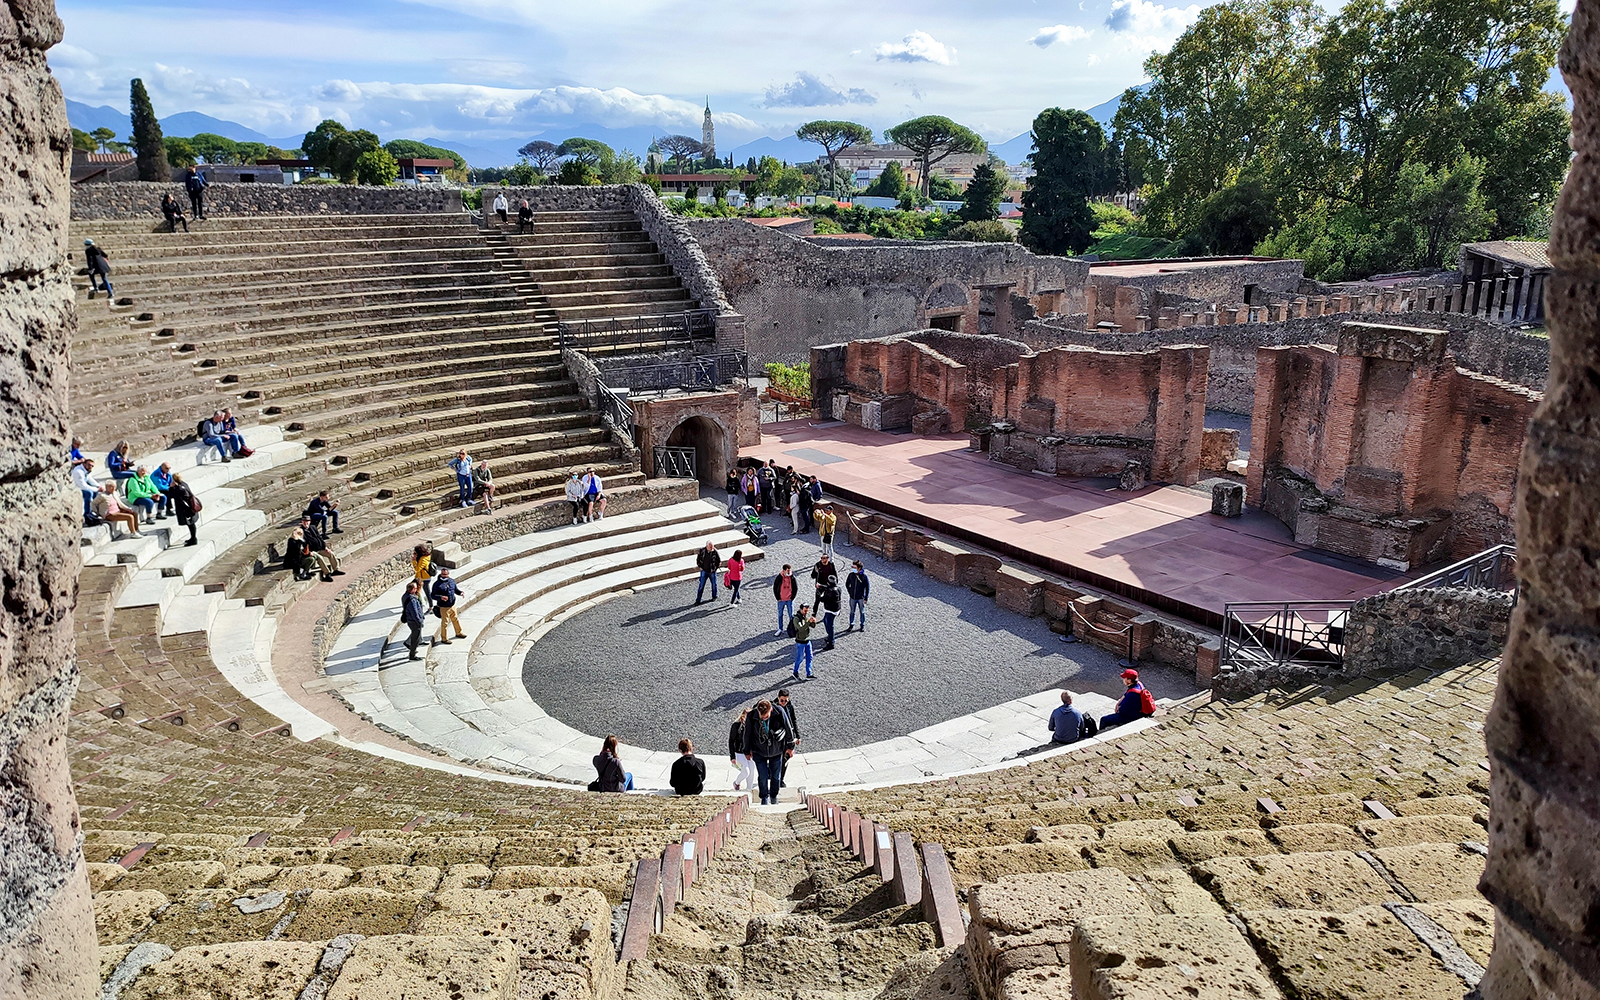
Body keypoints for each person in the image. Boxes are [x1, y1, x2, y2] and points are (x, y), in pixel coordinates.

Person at [741, 700, 793, 804]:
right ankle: (764, 797)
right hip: (759, 751)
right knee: (763, 776)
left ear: (771, 710)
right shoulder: (752, 715)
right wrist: (746, 751)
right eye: (762, 717)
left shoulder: (779, 712)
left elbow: (788, 728)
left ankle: (774, 796)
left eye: (766, 716)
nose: (764, 718)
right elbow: (747, 734)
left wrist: (790, 747)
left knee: (776, 776)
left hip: (776, 750)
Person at [299, 515, 343, 581]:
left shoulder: (313, 527)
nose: (306, 523)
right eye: (304, 521)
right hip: (311, 551)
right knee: (320, 558)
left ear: (310, 522)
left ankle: (336, 569)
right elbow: (301, 543)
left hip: (319, 548)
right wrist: (308, 552)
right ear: (302, 522)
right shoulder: (300, 531)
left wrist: (325, 547)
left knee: (331, 554)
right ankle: (327, 574)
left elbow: (320, 538)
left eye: (307, 521)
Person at [773, 688, 801, 788]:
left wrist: (797, 736)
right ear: (778, 698)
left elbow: (793, 720)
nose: (784, 703)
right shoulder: (774, 707)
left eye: (786, 700)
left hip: (788, 738)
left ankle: (781, 779)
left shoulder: (789, 707)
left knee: (786, 759)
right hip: (778, 738)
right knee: (777, 759)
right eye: (782, 700)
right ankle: (776, 778)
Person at [431, 566, 466, 644]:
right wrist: (441, 597)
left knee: (455, 619)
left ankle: (458, 632)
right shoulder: (437, 584)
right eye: (443, 574)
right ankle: (444, 638)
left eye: (446, 574)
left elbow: (456, 590)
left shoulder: (452, 581)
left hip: (452, 605)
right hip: (443, 607)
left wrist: (461, 593)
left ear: (448, 574)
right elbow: (432, 595)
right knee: (445, 623)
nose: (444, 576)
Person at [167, 473, 199, 546]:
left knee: (191, 524)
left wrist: (171, 488)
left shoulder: (178, 489)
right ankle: (193, 538)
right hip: (190, 507)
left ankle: (194, 539)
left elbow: (170, 496)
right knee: (191, 524)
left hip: (186, 509)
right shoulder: (183, 484)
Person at [729, 709, 757, 791]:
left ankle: (749, 789)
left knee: (751, 771)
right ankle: (736, 783)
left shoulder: (754, 725)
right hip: (739, 752)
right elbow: (731, 741)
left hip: (750, 752)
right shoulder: (736, 725)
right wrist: (732, 756)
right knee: (746, 772)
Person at [789, 604, 817, 679]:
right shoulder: (796, 618)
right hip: (800, 642)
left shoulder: (805, 616)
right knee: (800, 658)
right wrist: (808, 622)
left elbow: (812, 626)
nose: (806, 612)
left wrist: (813, 622)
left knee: (810, 657)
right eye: (805, 610)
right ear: (801, 609)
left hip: (807, 640)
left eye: (807, 611)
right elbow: (801, 629)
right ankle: (795, 672)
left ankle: (809, 673)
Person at [401, 581, 427, 660]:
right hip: (414, 622)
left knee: (415, 637)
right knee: (415, 639)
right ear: (412, 590)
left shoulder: (406, 596)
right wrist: (420, 622)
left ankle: (412, 652)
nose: (417, 590)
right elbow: (415, 613)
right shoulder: (412, 600)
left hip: (411, 621)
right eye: (415, 588)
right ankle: (412, 655)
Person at [73, 457, 103, 522]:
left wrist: (98, 486)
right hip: (76, 488)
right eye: (89, 465)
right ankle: (87, 513)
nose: (90, 467)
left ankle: (93, 510)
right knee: (89, 493)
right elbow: (83, 486)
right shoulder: (79, 471)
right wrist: (96, 489)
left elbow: (90, 479)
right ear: (84, 464)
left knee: (95, 492)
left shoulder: (86, 470)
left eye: (92, 466)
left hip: (82, 486)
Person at [771, 564, 797, 637]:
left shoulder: (792, 578)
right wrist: (777, 598)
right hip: (781, 600)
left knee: (791, 615)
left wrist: (792, 597)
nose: (789, 572)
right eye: (787, 570)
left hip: (789, 600)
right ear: (783, 570)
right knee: (780, 614)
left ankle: (792, 629)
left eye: (790, 570)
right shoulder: (779, 577)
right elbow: (775, 587)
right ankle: (780, 629)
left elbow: (795, 587)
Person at [694, 540, 721, 604]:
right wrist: (699, 566)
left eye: (712, 547)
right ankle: (698, 600)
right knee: (701, 585)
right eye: (710, 547)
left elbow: (718, 561)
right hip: (704, 571)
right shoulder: (702, 551)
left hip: (712, 571)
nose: (712, 549)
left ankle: (714, 596)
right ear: (706, 546)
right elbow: (698, 559)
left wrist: (715, 569)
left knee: (714, 584)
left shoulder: (715, 552)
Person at [845, 560, 870, 632]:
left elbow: (867, 588)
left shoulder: (864, 577)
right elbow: (847, 584)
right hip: (852, 597)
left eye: (854, 567)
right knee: (852, 611)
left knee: (862, 612)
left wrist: (866, 598)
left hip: (860, 598)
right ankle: (851, 624)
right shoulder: (851, 575)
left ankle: (862, 625)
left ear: (859, 568)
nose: (853, 568)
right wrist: (850, 592)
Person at [818, 576, 841, 650]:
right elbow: (827, 588)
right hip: (835, 609)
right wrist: (821, 586)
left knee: (829, 625)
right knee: (825, 621)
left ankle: (831, 642)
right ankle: (830, 637)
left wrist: (819, 595)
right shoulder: (837, 588)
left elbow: (823, 599)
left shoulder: (831, 591)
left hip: (830, 610)